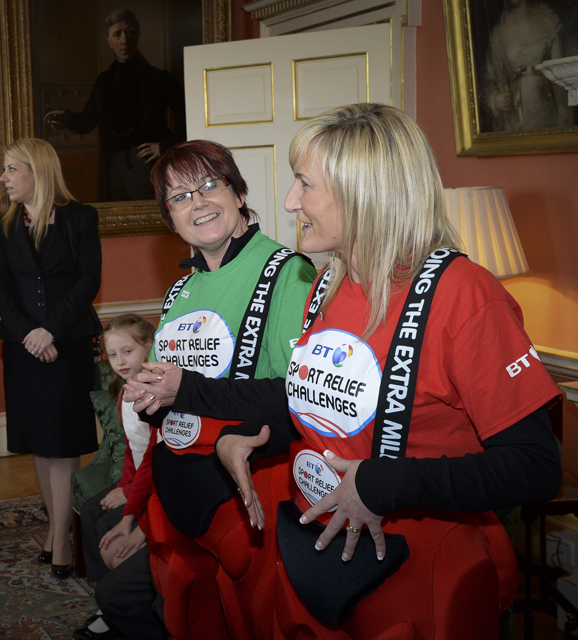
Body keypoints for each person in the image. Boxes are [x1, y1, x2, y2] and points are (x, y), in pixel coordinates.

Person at [129, 103, 563, 639]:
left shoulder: (464, 294)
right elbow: (324, 411)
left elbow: (536, 466)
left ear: (363, 191)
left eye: (304, 184)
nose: (289, 202)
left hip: (416, 571)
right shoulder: (327, 288)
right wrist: (247, 440)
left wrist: (384, 484)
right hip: (321, 560)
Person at [119, 139, 318, 640]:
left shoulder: (287, 273)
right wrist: (149, 398)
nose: (198, 202)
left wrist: (185, 387)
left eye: (210, 184)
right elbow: (172, 394)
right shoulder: (179, 291)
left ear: (237, 190)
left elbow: (299, 397)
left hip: (247, 493)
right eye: (180, 197)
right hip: (179, 498)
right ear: (170, 218)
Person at [0, 137, 103, 579]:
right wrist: (29, 335)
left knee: (62, 444)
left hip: (68, 343)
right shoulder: (3, 223)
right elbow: (1, 288)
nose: (4, 178)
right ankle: (57, 527)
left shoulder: (79, 218)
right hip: (22, 348)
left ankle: (60, 537)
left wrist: (49, 330)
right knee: (39, 441)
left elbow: (88, 279)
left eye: (11, 169)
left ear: (37, 171)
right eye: (3, 170)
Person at [44, 9, 185, 202]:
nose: (124, 40)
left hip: (148, 165)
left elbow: (192, 116)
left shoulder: (159, 78)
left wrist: (164, 146)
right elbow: (86, 122)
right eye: (117, 34)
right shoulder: (104, 82)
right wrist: (67, 118)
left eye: (129, 32)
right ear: (109, 40)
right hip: (112, 167)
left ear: (137, 35)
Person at [75, 314, 155, 640]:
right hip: (137, 482)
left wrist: (132, 498)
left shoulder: (155, 394)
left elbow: (155, 459)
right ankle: (106, 603)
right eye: (113, 354)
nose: (120, 361)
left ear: (149, 347)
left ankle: (122, 603)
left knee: (109, 526)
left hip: (153, 488)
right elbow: (130, 450)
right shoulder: (123, 392)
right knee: (92, 510)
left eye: (128, 352)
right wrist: (124, 485)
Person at [481, 0, 573, 131]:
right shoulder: (499, 32)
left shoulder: (549, 22)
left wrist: (564, 126)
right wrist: (495, 99)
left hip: (544, 114)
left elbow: (562, 82)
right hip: (514, 121)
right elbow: (488, 83)